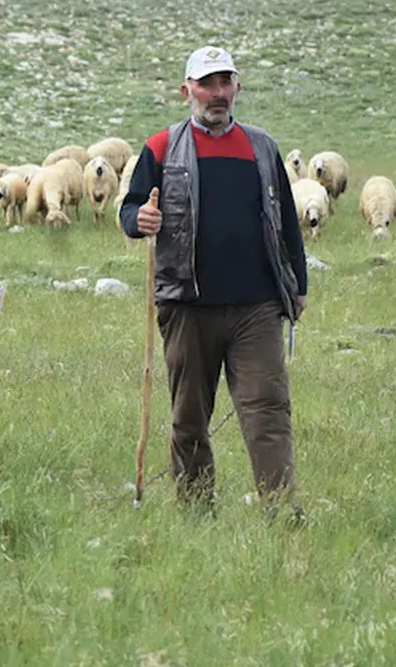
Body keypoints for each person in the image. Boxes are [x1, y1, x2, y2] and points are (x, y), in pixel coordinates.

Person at [120, 45, 309, 520]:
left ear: (237, 88)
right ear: (187, 91)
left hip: (256, 306)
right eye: (207, 84)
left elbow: (286, 220)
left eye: (225, 82)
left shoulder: (261, 147)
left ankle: (280, 511)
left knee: (268, 410)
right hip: (187, 304)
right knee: (188, 419)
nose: (218, 93)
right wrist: (138, 219)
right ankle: (196, 513)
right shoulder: (163, 147)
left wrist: (298, 284)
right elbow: (131, 207)